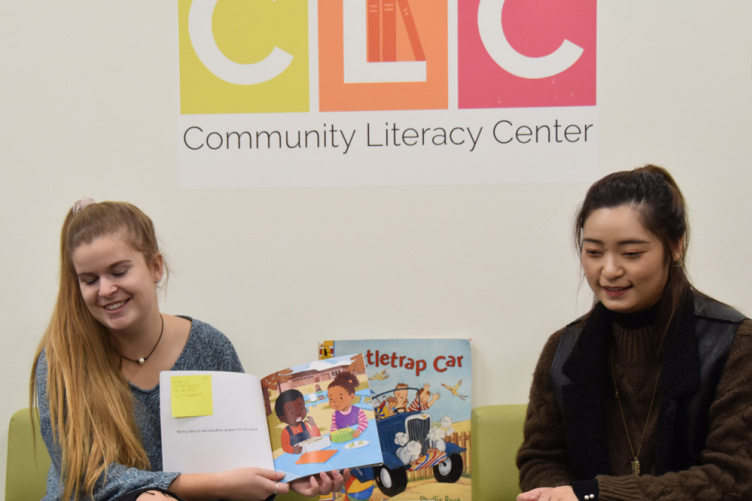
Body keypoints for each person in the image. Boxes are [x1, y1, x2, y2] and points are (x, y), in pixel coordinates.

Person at [30, 199, 346, 501]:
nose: (106, 289)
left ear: (155, 267)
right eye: (89, 280)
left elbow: (243, 454)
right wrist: (212, 485)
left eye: (119, 271)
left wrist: (293, 472)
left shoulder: (209, 346)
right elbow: (90, 479)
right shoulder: (63, 362)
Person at [516, 165, 752, 501]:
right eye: (593, 252)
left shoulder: (735, 344)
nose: (609, 271)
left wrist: (595, 495)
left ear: (675, 247)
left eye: (631, 253)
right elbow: (542, 457)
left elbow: (735, 478)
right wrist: (557, 494)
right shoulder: (564, 349)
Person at [275, 389, 320, 454]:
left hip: (310, 453)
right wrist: (293, 450)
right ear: (283, 418)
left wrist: (313, 425)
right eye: (292, 412)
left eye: (301, 408)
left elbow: (315, 437)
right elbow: (285, 446)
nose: (298, 413)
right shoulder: (286, 431)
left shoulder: (305, 425)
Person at [327, 372, 368, 438]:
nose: (334, 401)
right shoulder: (335, 414)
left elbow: (364, 422)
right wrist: (332, 434)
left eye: (340, 398)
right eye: (331, 398)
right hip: (343, 438)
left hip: (357, 437)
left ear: (351, 397)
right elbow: (334, 426)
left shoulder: (358, 411)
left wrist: (358, 431)